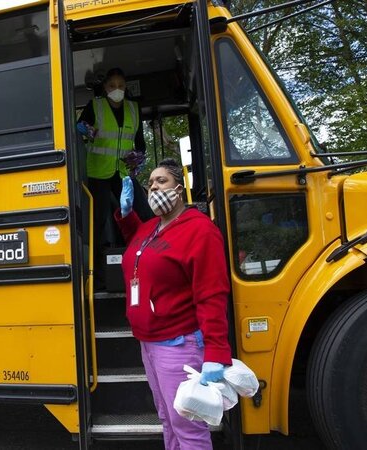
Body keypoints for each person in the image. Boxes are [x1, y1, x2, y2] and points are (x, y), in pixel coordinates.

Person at [115, 158, 232, 450]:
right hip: (150, 343)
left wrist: (216, 350)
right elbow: (142, 251)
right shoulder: (152, 227)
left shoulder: (199, 230)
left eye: (162, 181)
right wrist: (127, 215)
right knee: (168, 419)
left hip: (178, 345)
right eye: (151, 183)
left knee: (188, 428)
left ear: (179, 189)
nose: (154, 186)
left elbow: (212, 293)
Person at [76, 67, 149, 290]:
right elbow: (79, 127)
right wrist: (87, 130)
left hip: (124, 172)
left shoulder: (134, 109)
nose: (116, 90)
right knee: (98, 222)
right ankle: (97, 277)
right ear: (105, 87)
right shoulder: (95, 106)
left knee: (142, 215)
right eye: (111, 86)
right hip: (98, 172)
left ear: (125, 88)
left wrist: (139, 157)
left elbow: (140, 143)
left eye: (120, 86)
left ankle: (143, 265)